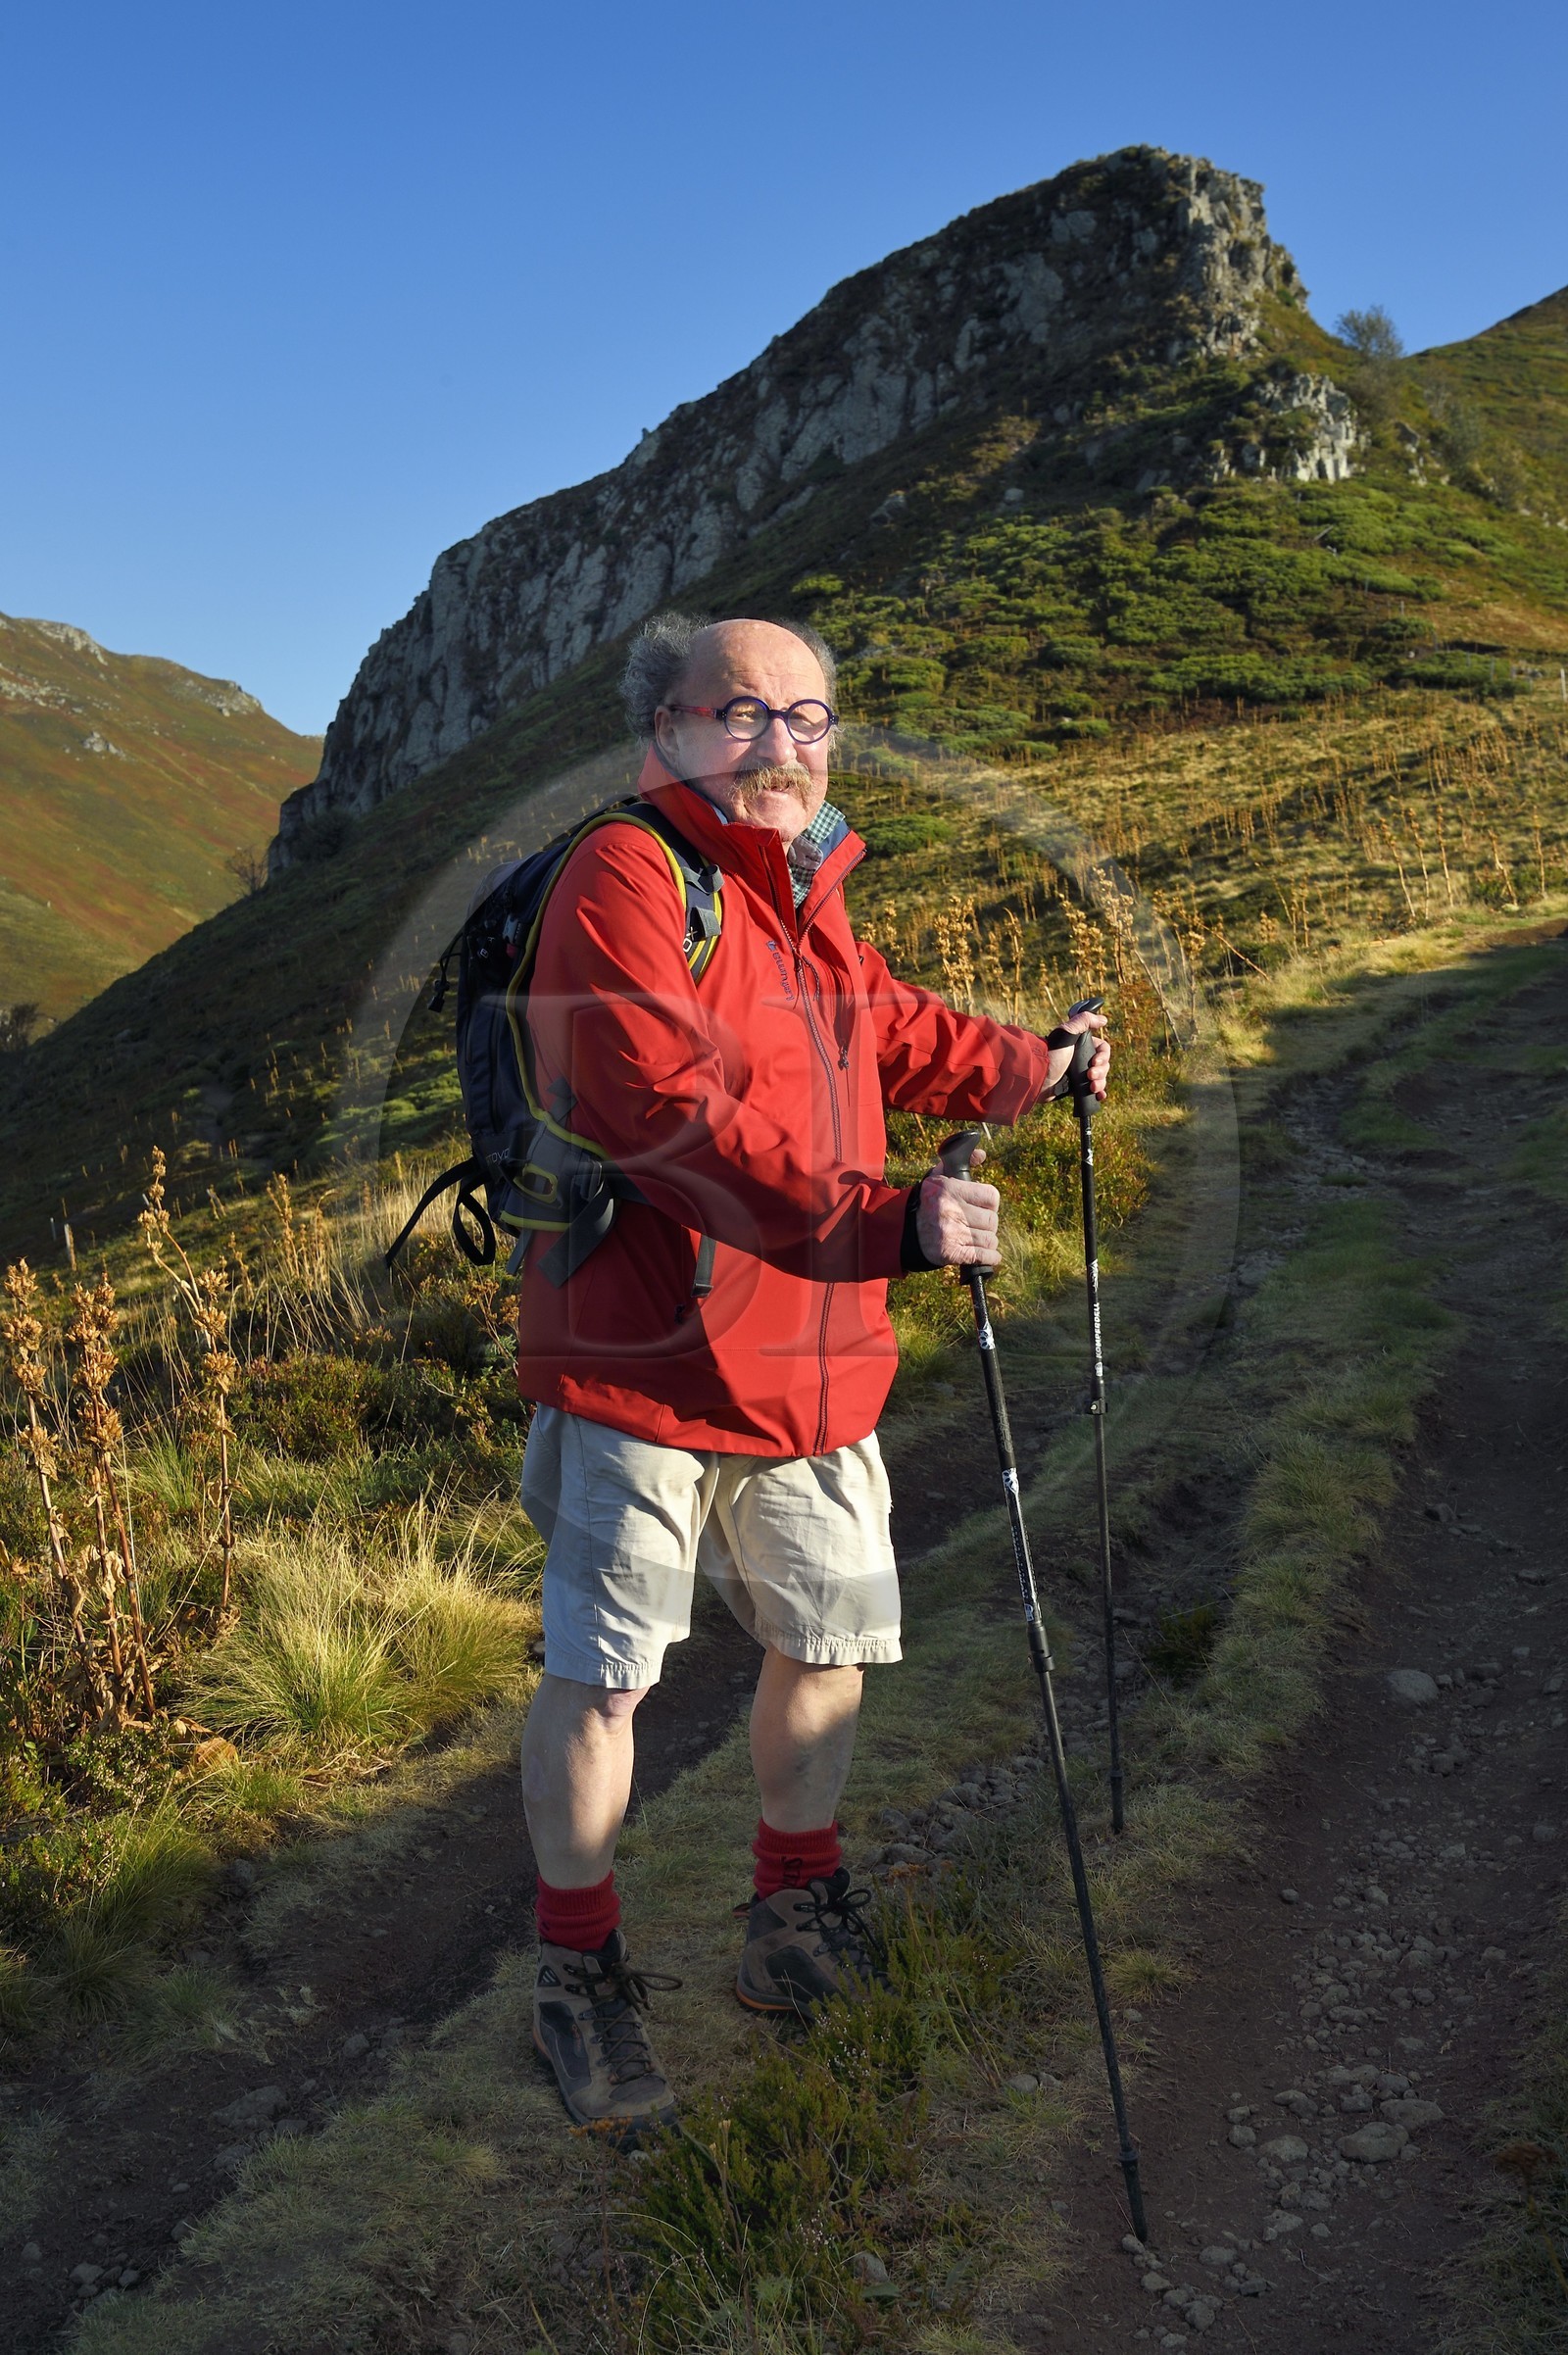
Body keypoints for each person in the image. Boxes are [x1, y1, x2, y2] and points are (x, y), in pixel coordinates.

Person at [516, 611, 1109, 2141]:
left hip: (809, 1354)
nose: (780, 742)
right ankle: (576, 1975)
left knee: (830, 1644)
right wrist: (886, 1225)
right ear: (663, 729)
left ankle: (791, 1919)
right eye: (740, 712)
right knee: (606, 1677)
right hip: (640, 1363)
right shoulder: (624, 876)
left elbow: (886, 1035)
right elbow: (667, 1117)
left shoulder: (809, 889)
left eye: (808, 715)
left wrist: (1033, 1065)